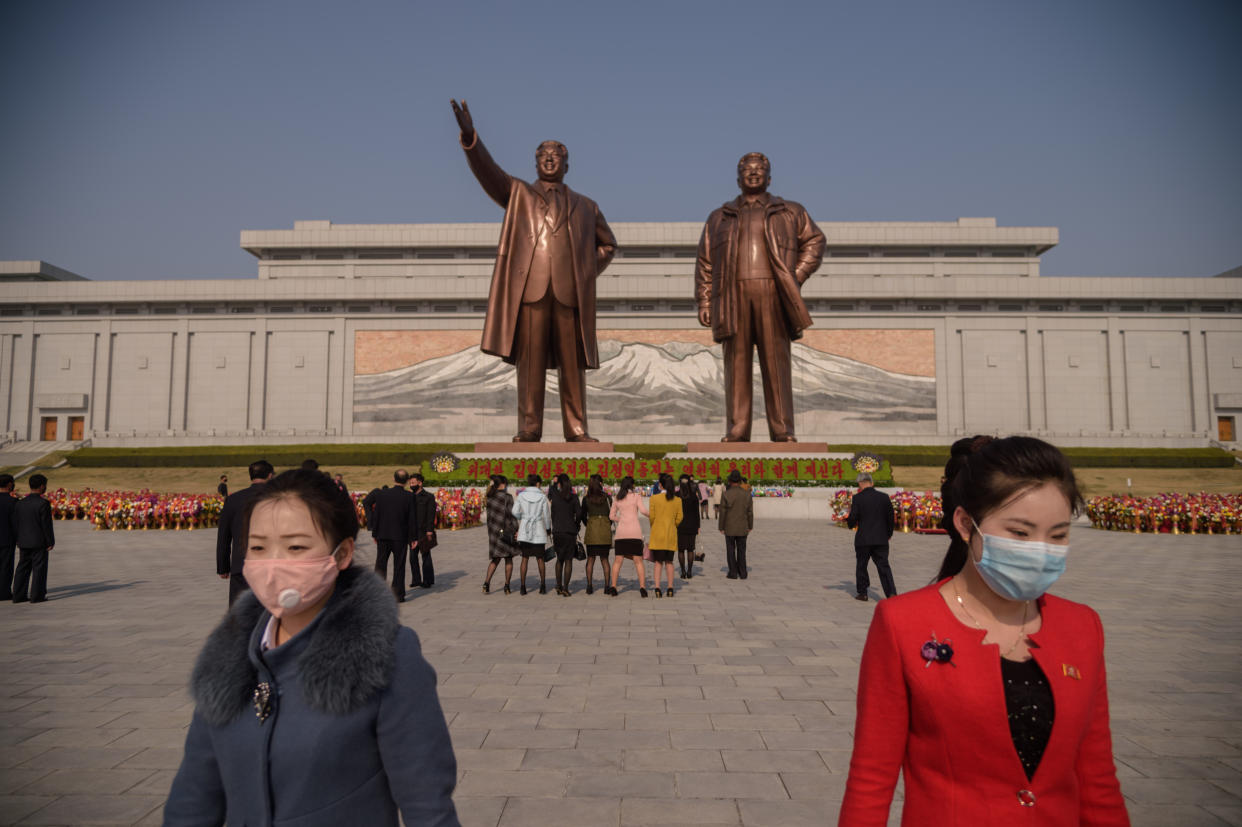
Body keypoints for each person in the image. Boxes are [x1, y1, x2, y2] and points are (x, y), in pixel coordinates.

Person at [838, 436, 1130, 826]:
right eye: (1020, 533)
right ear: (965, 524)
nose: (1042, 550)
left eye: (1058, 535)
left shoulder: (1082, 627)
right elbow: (871, 779)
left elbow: (1097, 779)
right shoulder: (902, 623)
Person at [164, 469, 459, 826]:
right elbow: (192, 798)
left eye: (296, 547)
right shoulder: (227, 658)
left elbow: (427, 805)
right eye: (258, 547)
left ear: (343, 553)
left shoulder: (386, 655)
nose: (273, 564)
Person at [451, 99, 617, 443]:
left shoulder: (587, 206)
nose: (550, 160)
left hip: (569, 294)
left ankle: (577, 428)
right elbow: (489, 172)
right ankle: (529, 427)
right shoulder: (518, 194)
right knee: (531, 364)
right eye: (543, 156)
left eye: (556, 156)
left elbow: (608, 245)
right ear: (536, 162)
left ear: (567, 165)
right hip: (531, 290)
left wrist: (585, 272)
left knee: (573, 366)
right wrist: (471, 137)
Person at [694, 152, 826, 442]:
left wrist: (795, 276)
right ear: (738, 177)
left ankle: (782, 430)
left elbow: (815, 241)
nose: (753, 174)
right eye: (748, 170)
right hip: (732, 297)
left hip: (773, 295)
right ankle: (737, 429)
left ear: (769, 177)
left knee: (776, 364)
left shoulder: (789, 211)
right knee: (736, 365)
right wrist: (705, 301)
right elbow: (705, 262)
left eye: (760, 170)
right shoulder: (720, 217)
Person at [216, 459, 275, 605]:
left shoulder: (233, 499)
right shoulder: (278, 498)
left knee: (240, 612)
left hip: (241, 564)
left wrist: (223, 566)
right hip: (272, 563)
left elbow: (224, 536)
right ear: (270, 476)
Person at [846, 472, 896, 601]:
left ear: (860, 484)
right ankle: (891, 593)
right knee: (884, 566)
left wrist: (849, 522)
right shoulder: (884, 497)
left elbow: (853, 519)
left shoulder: (858, 498)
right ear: (872, 483)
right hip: (881, 539)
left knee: (862, 565)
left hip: (863, 539)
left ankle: (863, 593)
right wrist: (888, 534)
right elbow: (891, 518)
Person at [372, 470, 415, 602]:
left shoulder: (382, 494)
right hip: (400, 536)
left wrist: (375, 533)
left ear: (393, 479)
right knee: (399, 565)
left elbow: (376, 515)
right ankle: (398, 594)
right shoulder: (409, 496)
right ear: (407, 481)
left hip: (383, 535)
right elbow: (412, 519)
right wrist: (413, 538)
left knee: (380, 564)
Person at [11, 473, 54, 603]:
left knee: (22, 568)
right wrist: (50, 541)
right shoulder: (43, 503)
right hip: (39, 542)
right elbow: (46, 525)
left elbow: (16, 523)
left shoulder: (20, 503)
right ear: (42, 487)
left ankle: (18, 595)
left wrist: (18, 539)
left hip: (23, 541)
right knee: (39, 569)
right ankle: (37, 595)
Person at [607, 476, 648, 598]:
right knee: (638, 561)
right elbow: (644, 511)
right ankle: (642, 588)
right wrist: (653, 516)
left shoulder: (617, 498)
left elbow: (611, 516)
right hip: (635, 533)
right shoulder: (636, 497)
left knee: (618, 561)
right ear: (632, 485)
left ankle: (613, 586)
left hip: (621, 534)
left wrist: (621, 520)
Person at [512, 474, 551, 595]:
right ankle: (543, 585)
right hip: (538, 528)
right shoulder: (542, 497)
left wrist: (523, 518)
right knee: (540, 558)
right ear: (538, 483)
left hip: (525, 529)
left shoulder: (521, 495)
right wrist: (548, 528)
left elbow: (514, 511)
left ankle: (523, 587)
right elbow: (546, 515)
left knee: (525, 558)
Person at [648, 474, 683, 598]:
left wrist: (655, 525)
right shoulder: (677, 500)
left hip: (658, 534)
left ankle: (657, 588)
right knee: (669, 562)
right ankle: (670, 588)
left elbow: (652, 517)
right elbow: (680, 518)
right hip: (670, 534)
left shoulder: (654, 499)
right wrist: (673, 525)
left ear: (660, 484)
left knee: (658, 562)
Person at [577, 474, 612, 595]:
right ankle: (607, 586)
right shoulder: (608, 498)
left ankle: (589, 586)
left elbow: (582, 516)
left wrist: (589, 523)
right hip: (604, 531)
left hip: (592, 530)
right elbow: (611, 515)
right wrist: (606, 523)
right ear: (601, 484)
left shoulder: (586, 499)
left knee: (590, 559)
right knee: (605, 559)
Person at [483, 475, 518, 594]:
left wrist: (491, 532)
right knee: (508, 559)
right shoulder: (507, 497)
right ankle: (507, 586)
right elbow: (512, 516)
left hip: (494, 533)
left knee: (495, 559)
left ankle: (486, 583)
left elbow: (489, 518)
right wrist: (516, 529)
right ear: (502, 484)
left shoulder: (490, 497)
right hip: (506, 532)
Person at [549, 473, 580, 596]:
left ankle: (558, 585)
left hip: (557, 531)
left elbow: (553, 515)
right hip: (570, 531)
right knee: (568, 560)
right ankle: (566, 588)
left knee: (559, 559)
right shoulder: (574, 497)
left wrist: (555, 525)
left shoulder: (555, 497)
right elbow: (579, 514)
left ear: (560, 484)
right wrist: (576, 525)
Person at [718, 470, 753, 579]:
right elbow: (750, 512)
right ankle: (743, 572)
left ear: (729, 481)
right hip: (743, 526)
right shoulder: (746, 494)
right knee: (742, 550)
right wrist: (750, 526)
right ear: (740, 480)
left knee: (730, 550)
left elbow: (722, 512)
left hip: (730, 526)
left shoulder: (726, 494)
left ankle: (733, 572)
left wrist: (721, 526)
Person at [409, 473, 438, 589]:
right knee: (412, 556)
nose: (411, 485)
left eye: (413, 483)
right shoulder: (409, 496)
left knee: (425, 555)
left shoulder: (429, 497)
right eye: (410, 483)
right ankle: (416, 579)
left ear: (420, 483)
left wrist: (429, 530)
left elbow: (431, 515)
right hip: (412, 532)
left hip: (424, 531)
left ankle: (428, 580)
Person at [677, 473, 702, 579]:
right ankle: (690, 571)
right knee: (691, 549)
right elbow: (697, 513)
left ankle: (682, 571)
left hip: (679, 525)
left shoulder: (676, 495)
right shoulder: (693, 496)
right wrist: (698, 526)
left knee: (681, 550)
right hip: (692, 525)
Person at [0, 474, 17, 601]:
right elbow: (16, 522)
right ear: (10, 484)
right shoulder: (13, 502)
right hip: (7, 538)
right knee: (6, 566)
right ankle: (4, 591)